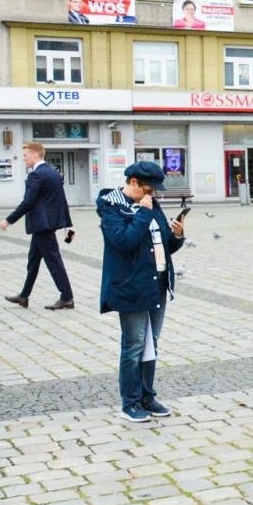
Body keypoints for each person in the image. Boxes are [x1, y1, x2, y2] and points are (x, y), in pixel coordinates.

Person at [98, 161, 185, 423]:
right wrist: (143, 214)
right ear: (133, 182)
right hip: (131, 286)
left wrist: (178, 236)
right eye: (149, 189)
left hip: (156, 282)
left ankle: (148, 396)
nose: (153, 195)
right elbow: (123, 242)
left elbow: (164, 246)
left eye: (155, 192)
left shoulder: (150, 204)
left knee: (151, 344)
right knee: (134, 344)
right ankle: (130, 402)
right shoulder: (111, 206)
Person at [0, 141, 75, 310]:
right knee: (33, 261)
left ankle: (67, 297)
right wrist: (67, 224)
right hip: (46, 225)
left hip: (42, 226)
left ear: (35, 155)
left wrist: (8, 220)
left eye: (25, 155)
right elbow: (61, 201)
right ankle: (24, 296)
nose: (23, 159)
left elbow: (27, 202)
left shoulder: (36, 175)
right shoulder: (53, 173)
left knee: (54, 261)